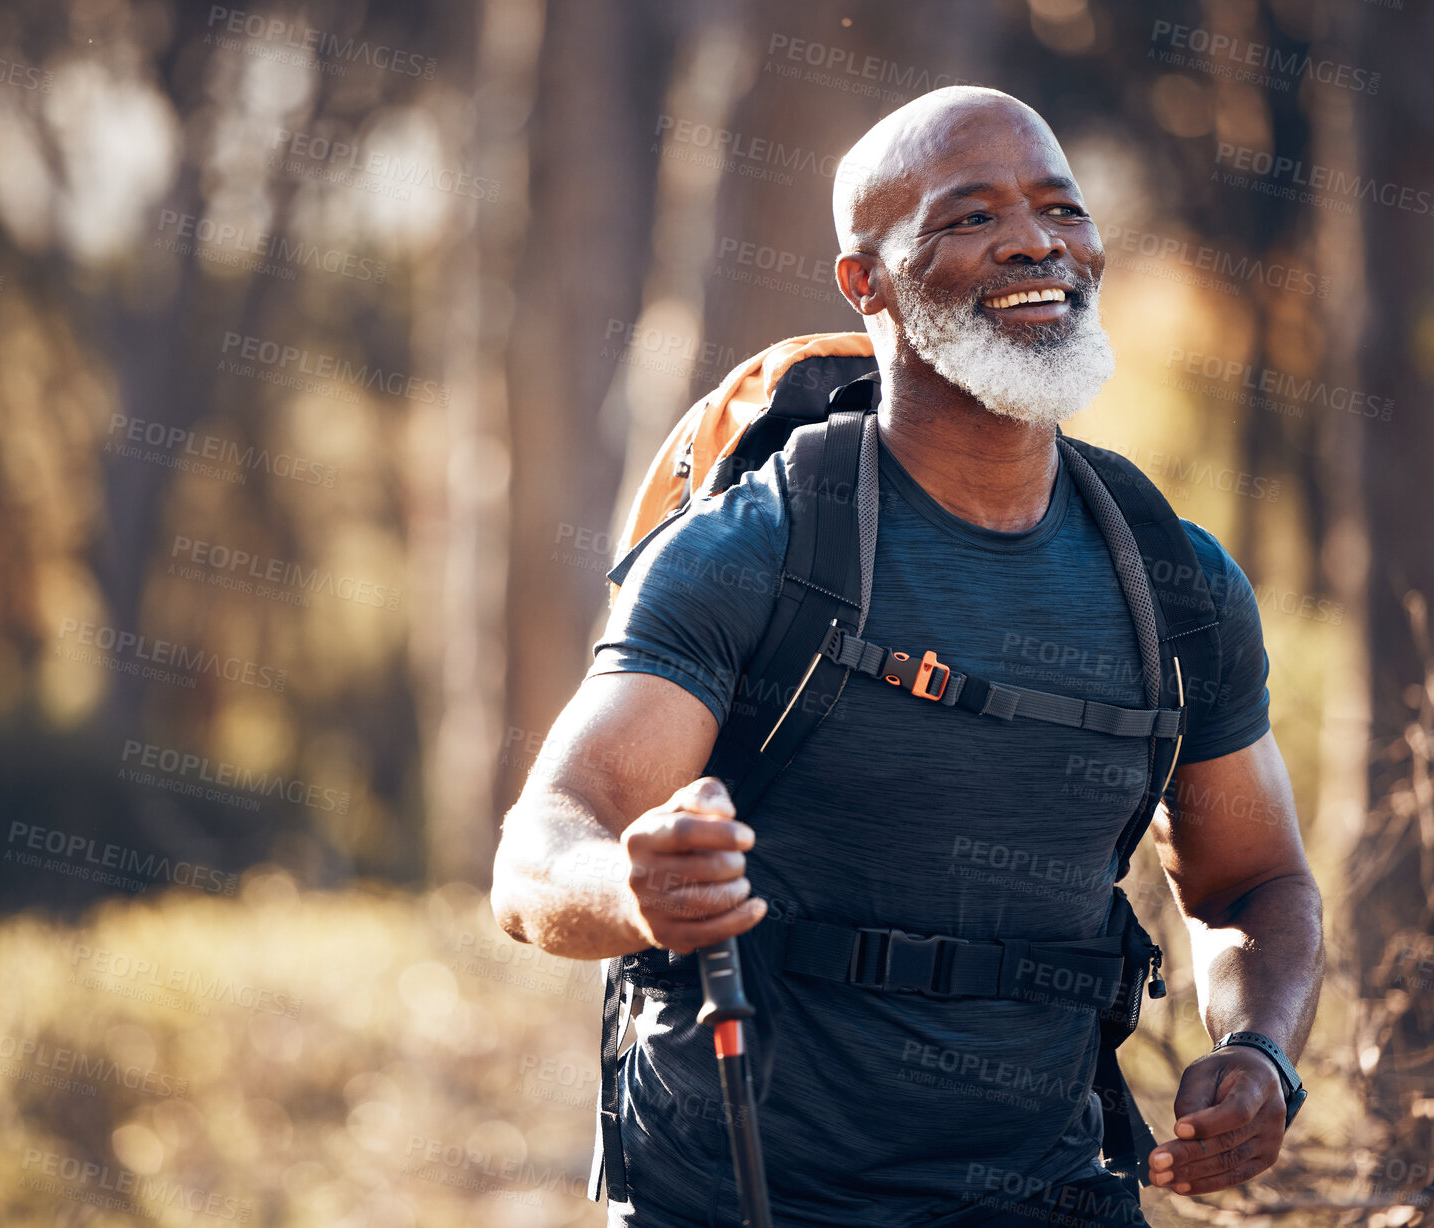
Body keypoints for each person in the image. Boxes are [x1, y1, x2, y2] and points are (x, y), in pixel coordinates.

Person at [491, 85, 1323, 1227]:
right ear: (863, 282)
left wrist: (1259, 1048)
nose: (1035, 240)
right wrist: (629, 888)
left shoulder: (1173, 584)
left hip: (1050, 1190)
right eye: (968, 218)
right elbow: (538, 853)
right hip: (741, 1193)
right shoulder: (752, 552)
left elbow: (1252, 882)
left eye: (1059, 209)